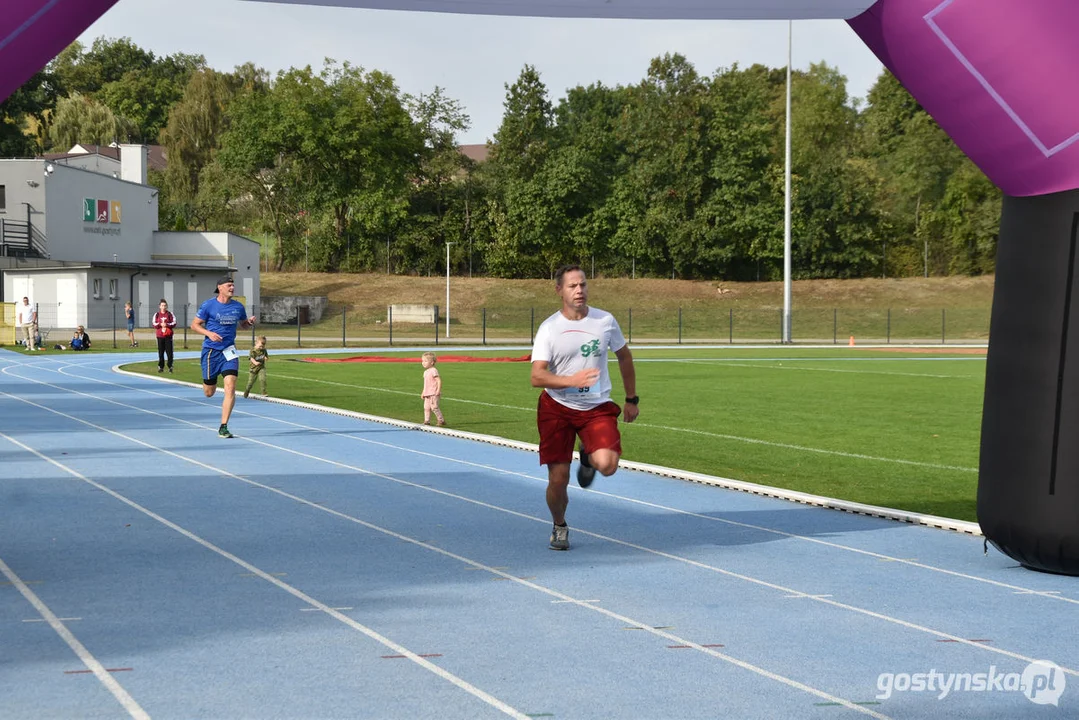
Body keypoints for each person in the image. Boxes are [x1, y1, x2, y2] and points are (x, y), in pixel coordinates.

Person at [530, 264, 639, 551]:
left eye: (583, 284)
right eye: (572, 286)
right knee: (559, 479)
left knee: (608, 465)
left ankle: (588, 458)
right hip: (557, 406)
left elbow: (624, 357)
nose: (579, 290)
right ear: (559, 291)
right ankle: (559, 525)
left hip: (596, 406)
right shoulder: (550, 328)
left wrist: (631, 398)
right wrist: (570, 380)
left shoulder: (605, 321)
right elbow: (536, 376)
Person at [191, 276, 257, 438]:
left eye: (233, 285)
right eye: (229, 285)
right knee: (209, 392)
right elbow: (194, 325)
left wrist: (248, 322)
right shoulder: (208, 305)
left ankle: (223, 426)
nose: (232, 288)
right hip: (211, 352)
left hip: (229, 351)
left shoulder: (238, 307)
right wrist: (209, 333)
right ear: (219, 287)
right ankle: (208, 381)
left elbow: (243, 325)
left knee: (231, 386)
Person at [420, 351, 446, 426]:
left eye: (425, 361)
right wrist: (423, 392)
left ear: (432, 362)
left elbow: (439, 380)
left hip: (433, 393)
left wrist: (438, 390)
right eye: (422, 361)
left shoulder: (433, 370)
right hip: (427, 393)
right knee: (426, 408)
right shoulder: (425, 372)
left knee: (434, 407)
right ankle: (427, 421)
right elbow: (426, 384)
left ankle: (441, 420)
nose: (423, 363)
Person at [153, 299, 177, 373]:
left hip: (168, 336)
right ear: (159, 306)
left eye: (164, 305)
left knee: (169, 352)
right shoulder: (156, 314)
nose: (163, 307)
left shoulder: (170, 314)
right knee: (161, 352)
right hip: (160, 336)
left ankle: (170, 366)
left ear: (166, 306)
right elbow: (154, 324)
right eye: (162, 305)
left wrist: (167, 325)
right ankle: (161, 367)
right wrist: (160, 324)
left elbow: (174, 323)